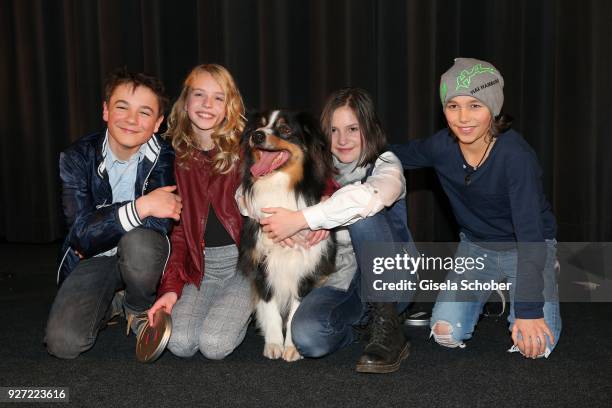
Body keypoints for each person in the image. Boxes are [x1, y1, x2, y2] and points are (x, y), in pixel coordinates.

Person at [392, 57, 561, 358]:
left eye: (475, 105)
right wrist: (346, 162)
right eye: (453, 106)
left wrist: (529, 310)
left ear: (493, 108)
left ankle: (542, 274)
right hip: (477, 248)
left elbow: (530, 236)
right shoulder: (441, 146)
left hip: (526, 248)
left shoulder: (516, 157)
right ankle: (490, 287)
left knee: (535, 347)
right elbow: (394, 155)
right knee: (445, 333)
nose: (463, 118)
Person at [258, 88, 418, 373]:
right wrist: (275, 219)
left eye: (353, 129)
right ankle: (363, 330)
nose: (342, 140)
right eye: (334, 130)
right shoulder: (318, 167)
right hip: (343, 280)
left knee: (363, 217)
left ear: (369, 128)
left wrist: (303, 218)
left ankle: (387, 323)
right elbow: (245, 193)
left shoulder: (386, 164)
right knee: (307, 337)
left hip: (391, 279)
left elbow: (366, 200)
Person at [45, 68, 181, 359]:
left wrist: (103, 223)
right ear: (106, 111)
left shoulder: (166, 156)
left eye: (145, 113)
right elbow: (81, 235)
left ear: (157, 123)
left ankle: (136, 306)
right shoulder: (76, 157)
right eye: (122, 107)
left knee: (140, 243)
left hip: (139, 256)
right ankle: (110, 303)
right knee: (63, 344)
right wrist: (141, 205)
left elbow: (158, 224)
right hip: (93, 260)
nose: (132, 120)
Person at [146, 64, 252, 360]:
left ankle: (244, 305)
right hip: (199, 269)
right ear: (185, 102)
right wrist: (170, 289)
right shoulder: (172, 161)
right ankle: (216, 303)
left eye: (219, 98)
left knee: (214, 345)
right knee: (179, 343)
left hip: (244, 267)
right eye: (199, 95)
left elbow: (302, 173)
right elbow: (177, 236)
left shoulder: (248, 151)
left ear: (230, 106)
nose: (207, 105)